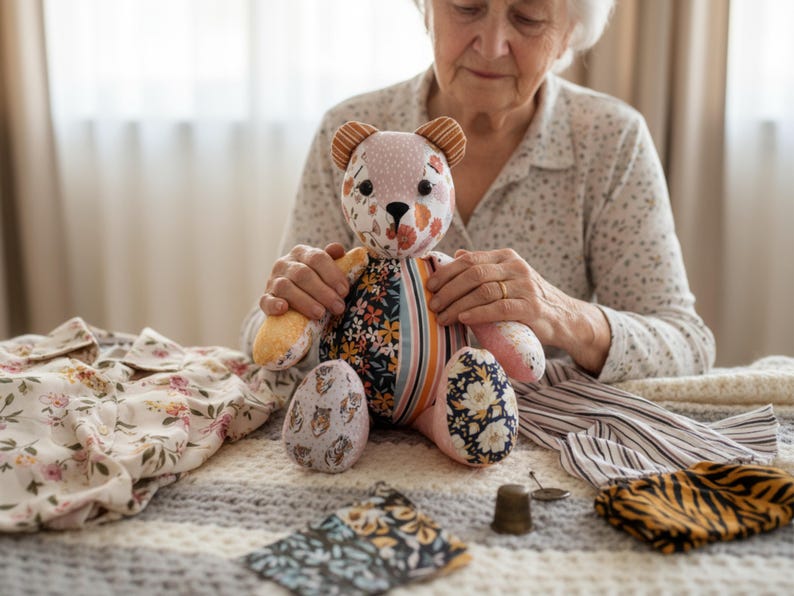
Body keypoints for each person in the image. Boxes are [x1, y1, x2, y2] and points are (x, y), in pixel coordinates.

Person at [242, 0, 715, 383]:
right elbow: (263, 343)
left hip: (535, 446)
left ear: (569, 32)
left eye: (528, 18)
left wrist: (562, 315)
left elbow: (686, 343)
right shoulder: (350, 137)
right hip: (374, 438)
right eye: (467, 7)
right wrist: (291, 303)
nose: (491, 46)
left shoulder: (610, 140)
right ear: (425, 9)